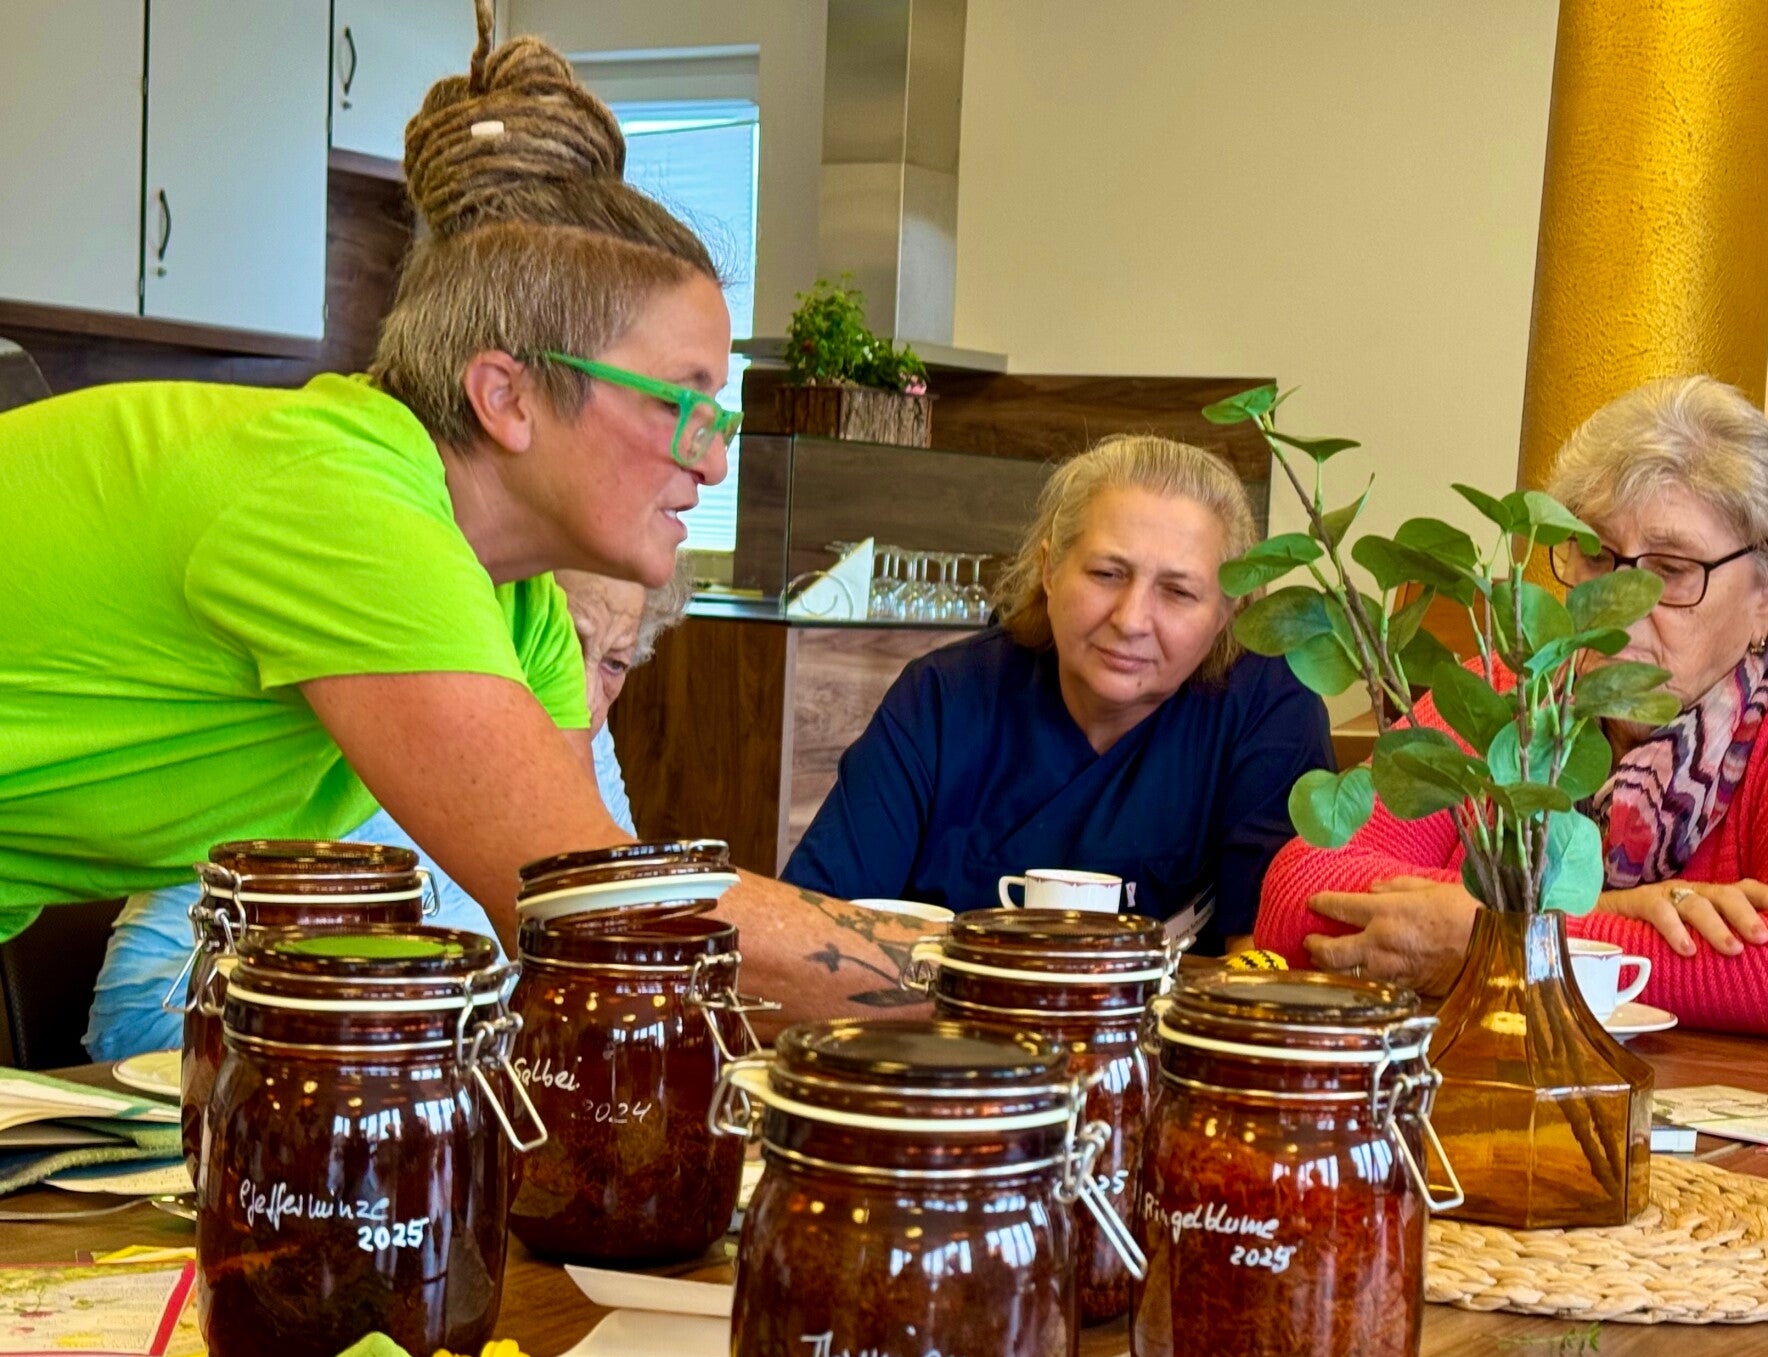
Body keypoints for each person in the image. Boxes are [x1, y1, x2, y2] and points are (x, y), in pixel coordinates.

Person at [0, 4, 924, 1030]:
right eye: (679, 402)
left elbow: (573, 945)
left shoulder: (519, 604)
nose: (712, 456)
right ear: (507, 396)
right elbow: (608, 914)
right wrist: (1009, 978)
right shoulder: (343, 508)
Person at [1255, 376, 1768, 1047]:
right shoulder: (1506, 692)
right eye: (1597, 554)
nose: (1621, 604)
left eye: (1670, 569)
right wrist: (1599, 916)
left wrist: (1496, 942)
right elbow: (1294, 896)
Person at [82, 568, 680, 1061]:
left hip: (441, 1098)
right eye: (562, 641)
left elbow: (608, 951)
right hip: (193, 1054)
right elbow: (140, 1015)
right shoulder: (371, 688)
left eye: (614, 664)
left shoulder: (581, 737)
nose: (580, 696)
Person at [783, 435, 1334, 954]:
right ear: (1049, 569)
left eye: (1178, 591)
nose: (1132, 619)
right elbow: (815, 927)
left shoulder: (1268, 712)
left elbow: (1263, 967)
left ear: (1226, 613)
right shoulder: (942, 700)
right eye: (1107, 573)